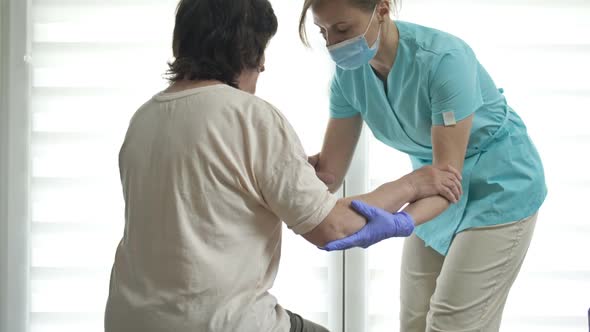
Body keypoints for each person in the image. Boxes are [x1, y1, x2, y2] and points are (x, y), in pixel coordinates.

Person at [103, 0, 463, 331]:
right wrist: (412, 185)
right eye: (262, 51)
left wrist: (286, 177)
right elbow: (332, 229)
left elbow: (203, 196)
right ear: (246, 51)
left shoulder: (144, 119)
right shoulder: (250, 116)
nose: (263, 65)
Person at [298, 0, 548, 330]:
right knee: (414, 320)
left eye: (342, 30)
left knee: (452, 322)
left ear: (382, 9)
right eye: (323, 32)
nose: (333, 44)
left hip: (499, 187)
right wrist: (282, 169)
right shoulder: (348, 77)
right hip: (433, 183)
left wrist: (402, 221)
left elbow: (446, 178)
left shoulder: (444, 61)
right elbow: (329, 172)